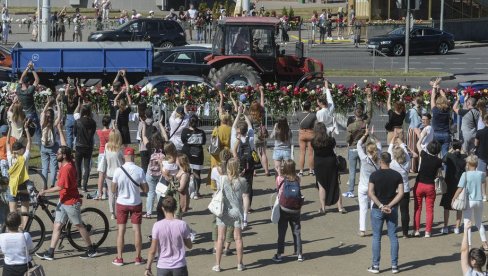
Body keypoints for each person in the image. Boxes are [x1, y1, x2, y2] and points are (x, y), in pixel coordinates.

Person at [37, 126, 98, 260]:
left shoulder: (67, 168)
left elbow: (60, 187)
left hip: (70, 202)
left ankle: (90, 249)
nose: (56, 154)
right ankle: (50, 252)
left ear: (63, 156)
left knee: (79, 225)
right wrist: (59, 129)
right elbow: (65, 146)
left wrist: (44, 191)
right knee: (57, 225)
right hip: (63, 201)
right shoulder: (68, 163)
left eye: (58, 153)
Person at [367, 152, 404, 274]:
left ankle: (376, 265)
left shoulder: (374, 175)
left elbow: (370, 192)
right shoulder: (397, 175)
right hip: (392, 209)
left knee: (376, 237)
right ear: (390, 161)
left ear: (380, 161)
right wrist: (390, 205)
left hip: (378, 209)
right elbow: (401, 193)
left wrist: (381, 205)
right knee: (393, 236)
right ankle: (394, 266)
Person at [111, 147, 149, 266]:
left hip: (122, 203)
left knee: (121, 230)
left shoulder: (118, 170)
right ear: (134, 156)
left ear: (124, 157)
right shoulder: (139, 170)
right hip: (136, 203)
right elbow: (146, 189)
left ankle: (119, 258)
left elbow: (113, 189)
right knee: (137, 230)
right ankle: (138, 258)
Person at [213, 158, 250, 272]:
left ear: (228, 167)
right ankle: (240, 264)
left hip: (224, 211)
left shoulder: (222, 178)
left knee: (220, 238)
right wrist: (245, 216)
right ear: (238, 167)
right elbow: (245, 197)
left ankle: (218, 265)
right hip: (237, 212)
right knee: (238, 238)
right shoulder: (242, 181)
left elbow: (218, 192)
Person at [144, 196, 192, 276]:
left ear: (163, 208)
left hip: (163, 266)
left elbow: (153, 250)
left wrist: (148, 267)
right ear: (175, 208)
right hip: (179, 266)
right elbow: (190, 245)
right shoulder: (182, 224)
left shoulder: (157, 225)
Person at [452, 155, 488, 249]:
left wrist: (454, 198)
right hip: (479, 200)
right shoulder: (481, 174)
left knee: (467, 223)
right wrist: (484, 194)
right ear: (476, 164)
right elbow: (484, 182)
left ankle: (468, 244)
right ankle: (485, 243)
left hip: (469, 201)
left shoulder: (465, 174)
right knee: (479, 223)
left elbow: (460, 188)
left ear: (468, 164)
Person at [272, 159, 303, 263]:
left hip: (284, 208)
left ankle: (280, 254)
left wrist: (279, 172)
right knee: (296, 231)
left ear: (284, 168)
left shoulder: (280, 179)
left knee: (282, 231)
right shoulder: (298, 179)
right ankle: (299, 253)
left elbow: (278, 189)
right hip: (295, 209)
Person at [344, 88, 372, 197]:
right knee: (363, 170)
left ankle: (351, 190)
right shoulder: (365, 123)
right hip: (363, 147)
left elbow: (347, 139)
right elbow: (369, 113)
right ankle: (365, 188)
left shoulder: (351, 126)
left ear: (355, 114)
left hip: (352, 148)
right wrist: (369, 100)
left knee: (352, 171)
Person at [312, 122, 345, 214]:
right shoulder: (331, 140)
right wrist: (330, 135)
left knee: (321, 185)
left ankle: (323, 208)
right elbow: (332, 145)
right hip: (331, 162)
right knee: (335, 184)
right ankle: (340, 207)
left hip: (319, 163)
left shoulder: (313, 141)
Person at [413, 141, 443, 237]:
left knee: (417, 208)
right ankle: (428, 232)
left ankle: (416, 230)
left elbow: (417, 145)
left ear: (429, 148)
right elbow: (438, 173)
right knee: (429, 210)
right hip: (430, 186)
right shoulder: (438, 161)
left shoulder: (424, 155)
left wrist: (421, 135)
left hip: (419, 185)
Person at [357, 126, 381, 237]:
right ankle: (375, 228)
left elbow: (358, 144)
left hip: (363, 186)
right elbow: (379, 142)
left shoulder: (364, 158)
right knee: (373, 208)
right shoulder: (379, 157)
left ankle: (362, 230)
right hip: (374, 187)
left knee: (362, 208)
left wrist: (365, 134)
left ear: (367, 150)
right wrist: (372, 134)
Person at [6, 120, 32, 227]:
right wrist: (26, 129)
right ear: (22, 149)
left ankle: (13, 230)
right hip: (24, 187)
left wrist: (10, 128)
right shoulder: (24, 158)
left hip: (12, 187)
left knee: (12, 212)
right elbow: (29, 143)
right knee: (25, 211)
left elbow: (7, 143)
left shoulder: (10, 158)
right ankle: (24, 229)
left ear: (13, 150)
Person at [210, 149, 235, 256]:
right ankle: (227, 247)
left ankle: (216, 246)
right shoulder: (232, 170)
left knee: (216, 222)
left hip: (218, 197)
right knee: (230, 223)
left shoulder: (215, 170)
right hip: (230, 198)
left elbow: (214, 185)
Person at [232, 105, 255, 216]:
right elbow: (250, 126)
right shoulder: (250, 137)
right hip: (249, 163)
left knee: (238, 184)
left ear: (238, 131)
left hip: (240, 163)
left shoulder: (236, 138)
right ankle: (248, 206)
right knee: (249, 185)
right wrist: (245, 114)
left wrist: (238, 113)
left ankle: (239, 204)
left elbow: (233, 126)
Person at [387, 135, 411, 238]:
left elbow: (388, 151)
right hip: (405, 190)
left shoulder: (392, 163)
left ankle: (393, 231)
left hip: (393, 190)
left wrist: (393, 139)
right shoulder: (407, 162)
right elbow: (405, 150)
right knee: (405, 211)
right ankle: (405, 233)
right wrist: (400, 140)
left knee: (392, 211)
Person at [439, 140, 465, 234]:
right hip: (459, 184)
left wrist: (450, 150)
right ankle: (457, 228)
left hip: (448, 183)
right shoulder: (464, 157)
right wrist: (462, 151)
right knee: (459, 206)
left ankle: (445, 227)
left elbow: (443, 160)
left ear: (452, 147)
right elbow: (465, 158)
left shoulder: (449, 156)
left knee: (446, 206)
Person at [181, 115, 206, 199]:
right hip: (198, 155)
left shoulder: (184, 131)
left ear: (189, 123)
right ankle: (196, 192)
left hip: (186, 154)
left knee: (186, 172)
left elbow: (183, 140)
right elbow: (204, 142)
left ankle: (186, 190)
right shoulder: (201, 132)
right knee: (197, 174)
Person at [40, 96, 62, 189]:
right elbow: (60, 115)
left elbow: (43, 112)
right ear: (53, 116)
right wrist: (57, 102)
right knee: (53, 166)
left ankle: (44, 184)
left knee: (45, 167)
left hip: (44, 146)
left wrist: (48, 103)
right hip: (53, 147)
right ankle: (52, 183)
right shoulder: (54, 124)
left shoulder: (43, 123)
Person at [74, 104, 96, 193]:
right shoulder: (93, 122)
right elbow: (93, 134)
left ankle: (78, 183)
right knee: (86, 167)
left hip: (79, 145)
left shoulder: (78, 121)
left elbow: (75, 133)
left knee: (78, 165)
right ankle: (85, 186)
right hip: (88, 145)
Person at [103, 129, 124, 220]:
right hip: (119, 174)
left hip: (109, 173)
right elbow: (123, 161)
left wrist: (103, 171)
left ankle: (112, 212)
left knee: (111, 194)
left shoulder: (106, 146)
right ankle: (119, 211)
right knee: (119, 194)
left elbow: (104, 160)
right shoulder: (120, 148)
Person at [249, 87, 270, 176]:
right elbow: (262, 102)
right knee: (263, 153)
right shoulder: (262, 112)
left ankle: (254, 171)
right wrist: (261, 91)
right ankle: (266, 171)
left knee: (255, 153)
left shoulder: (251, 115)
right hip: (263, 134)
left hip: (255, 135)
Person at [209, 112, 232, 190]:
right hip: (227, 151)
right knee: (227, 168)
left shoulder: (217, 129)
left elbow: (213, 141)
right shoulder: (231, 129)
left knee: (215, 168)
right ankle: (226, 184)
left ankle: (215, 186)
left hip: (217, 151)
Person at [17, 62, 40, 139]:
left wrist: (27, 68)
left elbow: (21, 78)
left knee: (26, 130)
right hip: (32, 113)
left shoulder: (18, 90)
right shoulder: (29, 91)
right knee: (37, 131)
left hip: (23, 113)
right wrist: (32, 68)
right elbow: (37, 80)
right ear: (28, 83)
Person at [430, 78, 451, 158]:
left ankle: (436, 168)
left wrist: (435, 87)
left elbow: (432, 98)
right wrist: (440, 88)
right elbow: (444, 98)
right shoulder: (447, 110)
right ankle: (446, 169)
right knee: (445, 154)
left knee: (434, 153)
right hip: (446, 133)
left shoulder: (435, 110)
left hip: (436, 133)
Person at [296, 100, 317, 177]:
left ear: (303, 107)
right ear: (310, 107)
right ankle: (311, 170)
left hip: (302, 133)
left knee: (302, 153)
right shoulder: (313, 115)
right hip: (310, 133)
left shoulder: (298, 114)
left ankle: (301, 171)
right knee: (311, 153)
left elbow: (298, 120)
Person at [94, 115, 111, 200]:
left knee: (101, 175)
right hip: (109, 152)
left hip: (101, 153)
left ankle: (99, 193)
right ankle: (108, 192)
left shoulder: (99, 132)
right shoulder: (112, 131)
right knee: (108, 174)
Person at [405, 97, 424, 173]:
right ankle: (419, 166)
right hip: (421, 130)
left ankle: (412, 167)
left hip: (412, 130)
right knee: (420, 148)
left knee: (412, 148)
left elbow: (406, 120)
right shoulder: (424, 109)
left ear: (415, 102)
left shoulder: (411, 111)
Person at [63, 80, 80, 149]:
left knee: (69, 136)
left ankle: (69, 149)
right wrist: (77, 86)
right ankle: (76, 147)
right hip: (76, 117)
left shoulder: (66, 98)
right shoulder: (76, 99)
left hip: (68, 118)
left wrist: (68, 85)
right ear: (74, 92)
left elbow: (66, 93)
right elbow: (80, 94)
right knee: (77, 134)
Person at [475, 114, 488, 200]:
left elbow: (476, 144)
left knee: (482, 175)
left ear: (484, 121)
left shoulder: (479, 132)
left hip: (482, 155)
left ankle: (484, 195)